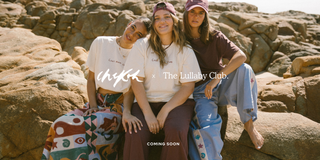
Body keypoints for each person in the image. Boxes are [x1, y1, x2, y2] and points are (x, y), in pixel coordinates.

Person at [41, 17, 151, 160]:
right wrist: (93, 105)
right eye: (133, 28)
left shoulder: (138, 56)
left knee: (80, 126)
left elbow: (130, 90)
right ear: (129, 23)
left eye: (139, 35)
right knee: (59, 124)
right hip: (96, 104)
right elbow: (91, 79)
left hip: (117, 108)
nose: (132, 34)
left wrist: (127, 113)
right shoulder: (101, 43)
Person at [183, 0, 264, 159]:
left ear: (205, 16)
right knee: (206, 127)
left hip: (220, 85)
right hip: (200, 92)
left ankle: (249, 125)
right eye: (193, 12)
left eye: (201, 13)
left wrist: (215, 80)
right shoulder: (180, 37)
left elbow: (240, 56)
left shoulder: (214, 35)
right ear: (186, 13)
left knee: (245, 69)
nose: (196, 16)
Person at [122, 2, 202, 160]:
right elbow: (136, 81)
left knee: (176, 130)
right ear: (153, 23)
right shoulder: (142, 45)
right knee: (135, 133)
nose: (162, 21)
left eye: (166, 17)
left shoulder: (185, 49)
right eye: (157, 18)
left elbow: (188, 86)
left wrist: (165, 110)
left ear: (174, 20)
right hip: (145, 101)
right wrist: (148, 114)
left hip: (177, 103)